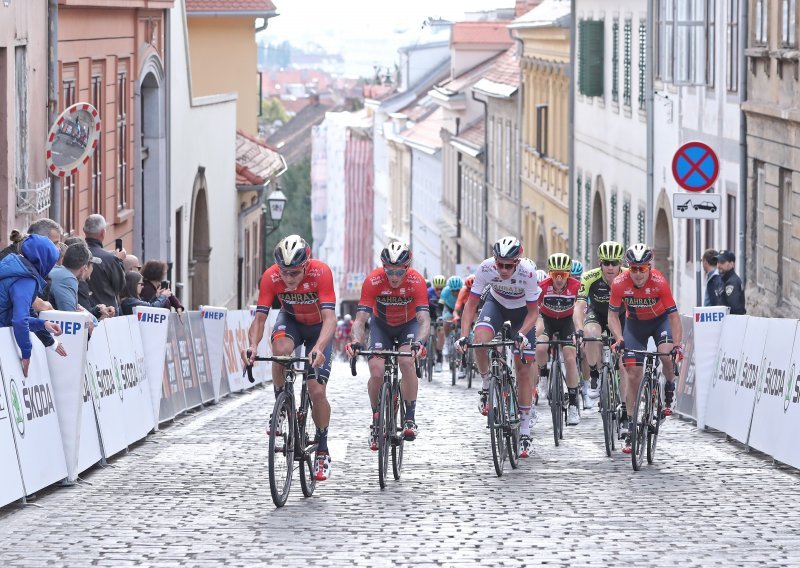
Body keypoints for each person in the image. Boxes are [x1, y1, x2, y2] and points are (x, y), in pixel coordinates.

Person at [242, 235, 336, 482]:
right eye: (284, 272)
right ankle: (281, 406)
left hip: (318, 328)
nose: (289, 278)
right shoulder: (271, 276)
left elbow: (329, 319)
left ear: (306, 265)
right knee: (280, 352)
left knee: (316, 391)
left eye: (294, 273)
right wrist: (252, 346)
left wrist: (319, 347)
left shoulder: (321, 273)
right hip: (292, 321)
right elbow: (260, 318)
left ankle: (323, 448)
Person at [455, 236, 540, 459]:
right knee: (479, 339)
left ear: (517, 262)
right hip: (496, 306)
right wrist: (464, 336)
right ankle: (486, 384)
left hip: (523, 313)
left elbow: (533, 312)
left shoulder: (528, 272)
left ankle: (524, 432)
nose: (503, 270)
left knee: (523, 370)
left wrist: (522, 334)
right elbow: (471, 305)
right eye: (499, 264)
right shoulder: (485, 268)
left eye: (508, 265)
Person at [346, 241, 430, 446]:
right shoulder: (373, 280)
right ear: (383, 268)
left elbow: (424, 319)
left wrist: (419, 342)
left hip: (407, 327)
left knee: (406, 361)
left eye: (399, 272)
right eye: (389, 271)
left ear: (407, 268)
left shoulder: (416, 281)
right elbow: (360, 320)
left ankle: (409, 417)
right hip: (381, 327)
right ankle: (377, 420)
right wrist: (356, 341)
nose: (394, 277)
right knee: (376, 372)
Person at [607, 244, 683, 455]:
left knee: (667, 356)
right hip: (635, 327)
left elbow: (674, 317)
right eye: (633, 268)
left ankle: (669, 387)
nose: (638, 274)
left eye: (642, 269)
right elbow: (612, 316)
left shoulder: (659, 282)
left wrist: (676, 345)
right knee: (633, 374)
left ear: (649, 266)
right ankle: (631, 425)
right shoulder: (620, 283)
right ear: (628, 268)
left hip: (660, 323)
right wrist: (619, 338)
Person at [573, 241, 629, 414]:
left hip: (620, 316)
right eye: (606, 263)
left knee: (624, 362)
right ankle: (594, 374)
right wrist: (579, 329)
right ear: (600, 263)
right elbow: (580, 305)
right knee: (591, 334)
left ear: (621, 263)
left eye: (614, 263)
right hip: (597, 313)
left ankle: (626, 409)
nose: (610, 267)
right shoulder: (590, 277)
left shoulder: (628, 276)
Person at [0, 234, 67, 376]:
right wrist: (26, 353)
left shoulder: (16, 266)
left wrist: (42, 324)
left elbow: (10, 316)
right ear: (44, 260)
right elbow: (19, 320)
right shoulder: (27, 279)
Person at [535, 253, 582, 425]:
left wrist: (579, 330)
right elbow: (534, 309)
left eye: (564, 274)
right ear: (549, 273)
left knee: (570, 358)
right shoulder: (542, 286)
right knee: (540, 347)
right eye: (556, 274)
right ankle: (543, 375)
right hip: (547, 320)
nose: (560, 279)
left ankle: (573, 404)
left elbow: (582, 309)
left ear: (569, 274)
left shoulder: (577, 286)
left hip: (567, 323)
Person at [83, 214, 126, 315]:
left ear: (84, 231)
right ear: (103, 232)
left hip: (84, 310)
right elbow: (120, 286)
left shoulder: (75, 253)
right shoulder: (110, 259)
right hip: (107, 313)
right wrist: (119, 261)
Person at [49, 242, 102, 313]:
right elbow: (70, 316)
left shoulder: (56, 270)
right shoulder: (67, 279)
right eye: (91, 265)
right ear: (85, 267)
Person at [438, 275, 462, 372]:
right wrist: (440, 316)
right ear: (450, 289)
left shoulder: (463, 291)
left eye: (457, 290)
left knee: (462, 323)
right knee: (446, 320)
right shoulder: (445, 291)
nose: (456, 293)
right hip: (448, 308)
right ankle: (447, 341)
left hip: (460, 308)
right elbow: (440, 306)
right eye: (453, 291)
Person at [715, 250, 745, 314]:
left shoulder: (732, 282)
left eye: (722, 262)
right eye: (718, 262)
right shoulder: (725, 280)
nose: (718, 265)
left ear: (731, 264)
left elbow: (734, 309)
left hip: (733, 322)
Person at [428, 274, 446, 371]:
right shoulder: (429, 292)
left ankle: (439, 355)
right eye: (437, 289)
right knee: (430, 333)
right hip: (430, 314)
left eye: (441, 289)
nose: (439, 291)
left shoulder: (446, 293)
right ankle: (430, 348)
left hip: (441, 314)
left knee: (441, 333)